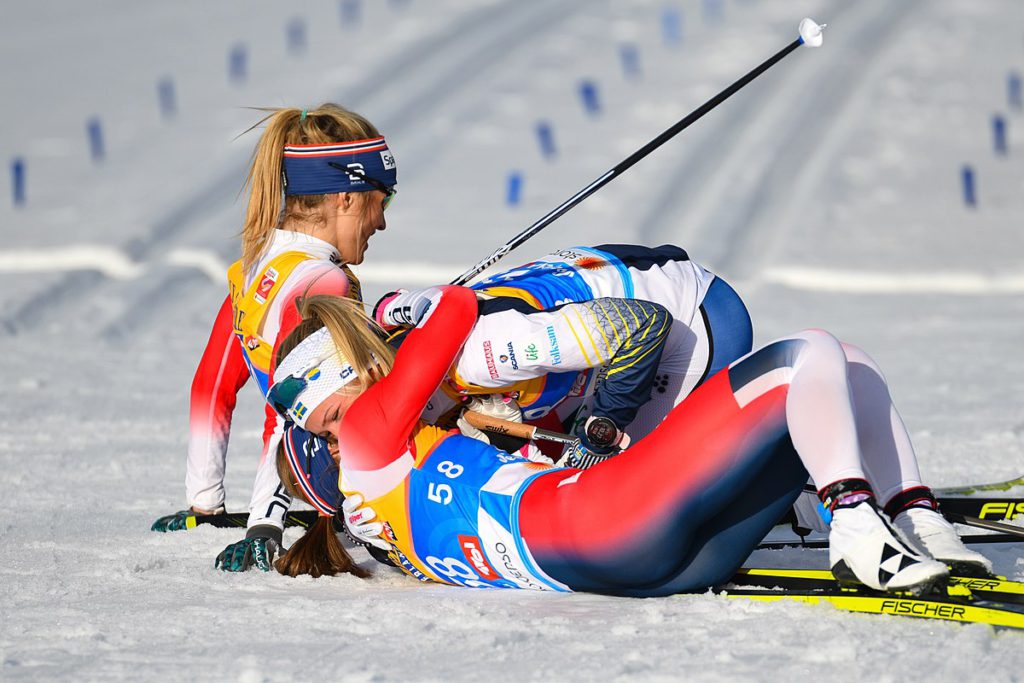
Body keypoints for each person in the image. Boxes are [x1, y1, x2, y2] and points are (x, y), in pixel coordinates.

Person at [266, 286, 992, 596]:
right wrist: (401, 317)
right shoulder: (371, 429)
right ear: (350, 370)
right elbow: (454, 309)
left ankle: (915, 519)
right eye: (325, 428)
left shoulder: (374, 508)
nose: (336, 435)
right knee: (809, 355)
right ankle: (861, 525)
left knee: (837, 371)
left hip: (639, 567)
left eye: (327, 420)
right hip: (609, 519)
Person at [150, 103, 397, 573]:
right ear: (346, 198)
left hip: (298, 471)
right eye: (382, 201)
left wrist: (204, 502)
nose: (381, 222)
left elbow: (211, 386)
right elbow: (292, 408)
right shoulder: (324, 282)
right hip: (328, 473)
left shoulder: (254, 268)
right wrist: (265, 525)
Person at [378, 243, 753, 467]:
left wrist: (604, 428)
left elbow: (644, 324)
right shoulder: (410, 337)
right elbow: (390, 305)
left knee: (613, 481)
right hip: (624, 286)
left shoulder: (483, 356)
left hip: (693, 319)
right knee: (555, 446)